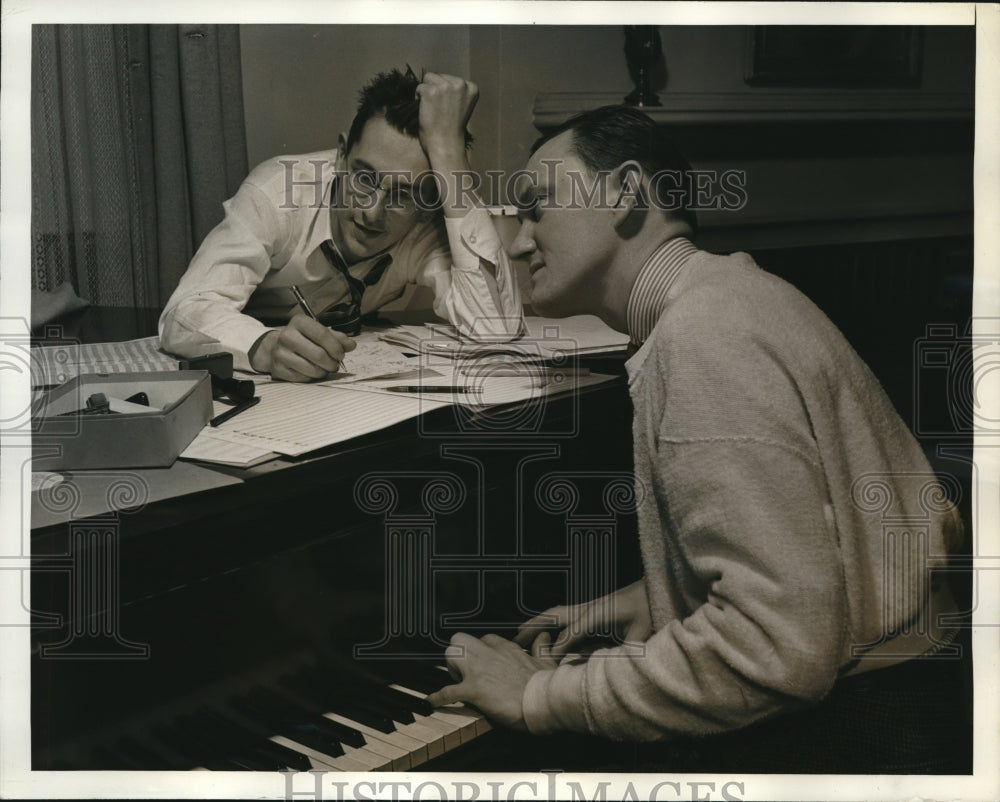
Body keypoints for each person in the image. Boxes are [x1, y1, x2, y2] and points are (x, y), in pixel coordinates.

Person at [425, 106, 970, 773]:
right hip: (904, 685)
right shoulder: (731, 295)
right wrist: (661, 595)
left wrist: (541, 695)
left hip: (874, 724)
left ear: (624, 192)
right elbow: (817, 542)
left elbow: (771, 654)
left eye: (536, 208)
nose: (516, 242)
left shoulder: (705, 338)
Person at [159, 68, 521, 382]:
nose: (371, 213)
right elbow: (185, 311)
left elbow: (493, 330)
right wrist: (262, 346)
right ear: (341, 154)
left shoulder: (425, 224)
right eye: (364, 178)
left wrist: (450, 157)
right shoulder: (278, 191)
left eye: (403, 195)